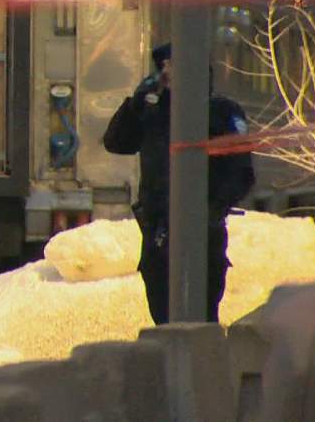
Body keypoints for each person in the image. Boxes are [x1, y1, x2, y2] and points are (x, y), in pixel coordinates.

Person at [102, 42, 255, 324]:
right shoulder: (154, 112)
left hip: (202, 233)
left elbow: (241, 172)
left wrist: (212, 209)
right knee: (163, 319)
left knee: (201, 317)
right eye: (164, 68)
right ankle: (170, 367)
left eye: (174, 67)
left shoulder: (220, 111)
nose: (168, 74)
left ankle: (199, 367)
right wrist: (136, 103)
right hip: (158, 233)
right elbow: (116, 142)